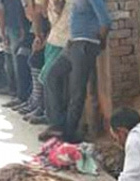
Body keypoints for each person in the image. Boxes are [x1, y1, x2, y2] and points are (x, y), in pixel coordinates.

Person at [38, 0, 111, 143]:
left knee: (76, 90)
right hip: (72, 43)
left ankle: (68, 133)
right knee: (50, 77)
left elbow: (105, 21)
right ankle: (57, 125)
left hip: (85, 43)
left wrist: (99, 42)